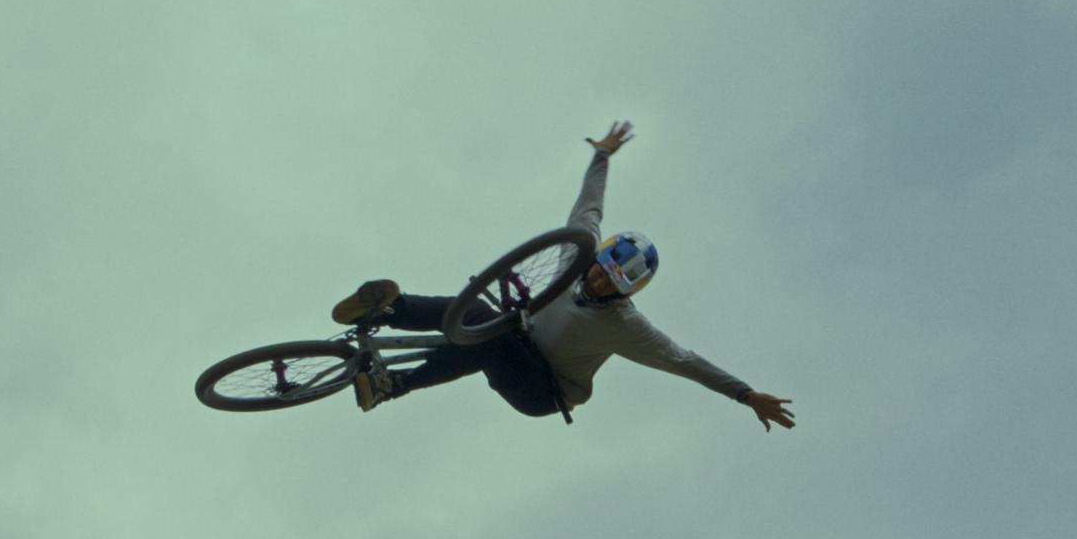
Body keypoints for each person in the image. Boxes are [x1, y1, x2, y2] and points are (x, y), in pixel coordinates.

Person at [331, 121, 796, 432]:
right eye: (599, 271)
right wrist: (603, 156)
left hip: (544, 391)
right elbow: (591, 203)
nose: (596, 283)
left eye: (610, 284)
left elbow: (684, 361)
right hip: (521, 342)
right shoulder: (578, 254)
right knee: (483, 322)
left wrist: (745, 394)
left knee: (490, 334)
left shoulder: (625, 327)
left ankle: (395, 368)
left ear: (625, 290)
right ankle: (389, 317)